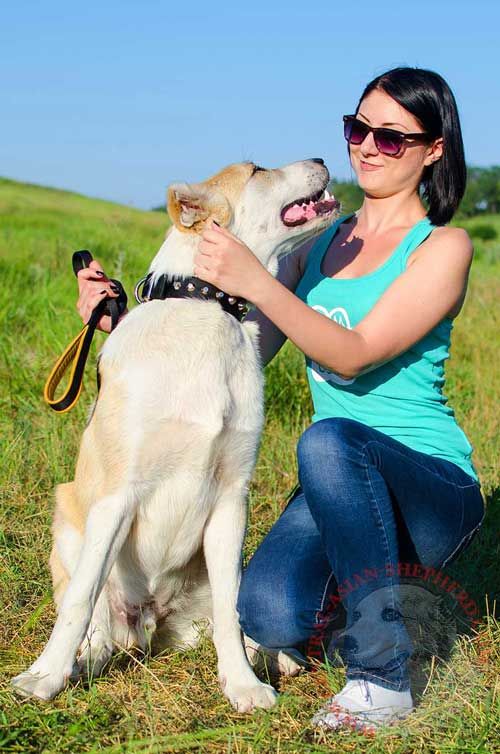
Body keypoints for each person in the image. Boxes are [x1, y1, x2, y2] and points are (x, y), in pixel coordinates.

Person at [76, 67, 485, 733]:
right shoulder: (322, 239)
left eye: (391, 137)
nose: (366, 147)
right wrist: (124, 318)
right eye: (358, 129)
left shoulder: (442, 247)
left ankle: (382, 677)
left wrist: (261, 283)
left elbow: (351, 354)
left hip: (427, 483)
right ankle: (376, 593)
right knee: (264, 616)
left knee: (328, 439)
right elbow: (240, 347)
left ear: (434, 149)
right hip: (337, 486)